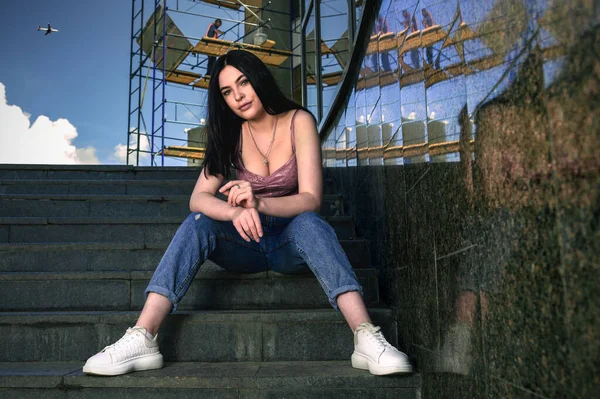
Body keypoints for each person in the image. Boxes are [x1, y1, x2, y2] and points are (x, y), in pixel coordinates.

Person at [82, 50, 413, 377]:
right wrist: (233, 212)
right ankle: (143, 336)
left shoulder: (299, 121)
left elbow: (311, 198)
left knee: (311, 223)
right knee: (198, 222)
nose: (238, 96)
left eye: (243, 83)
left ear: (259, 79)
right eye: (227, 91)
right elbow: (198, 198)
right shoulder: (229, 135)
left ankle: (365, 335)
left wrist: (259, 203)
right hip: (244, 245)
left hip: (290, 241)